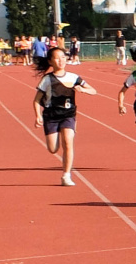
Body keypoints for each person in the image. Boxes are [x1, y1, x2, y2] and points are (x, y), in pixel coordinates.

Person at [33, 44, 95, 186]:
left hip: (68, 115)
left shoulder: (74, 77)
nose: (61, 60)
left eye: (63, 57)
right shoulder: (47, 79)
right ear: (50, 61)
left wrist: (84, 90)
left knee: (68, 142)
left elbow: (94, 90)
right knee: (53, 149)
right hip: (51, 116)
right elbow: (36, 100)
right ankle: (56, 138)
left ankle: (66, 175)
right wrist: (38, 116)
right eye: (57, 58)